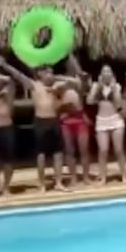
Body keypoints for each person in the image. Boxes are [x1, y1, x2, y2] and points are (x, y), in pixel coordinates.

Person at [0, 56, 68, 192]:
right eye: (48, 72)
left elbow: (70, 82)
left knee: (58, 153)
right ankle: (42, 183)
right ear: (40, 74)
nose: (51, 75)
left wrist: (56, 81)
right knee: (41, 154)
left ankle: (58, 182)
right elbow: (18, 75)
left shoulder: (56, 86)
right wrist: (5, 65)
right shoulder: (34, 85)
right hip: (41, 121)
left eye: (52, 72)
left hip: (54, 121)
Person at [87, 64, 126, 184]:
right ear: (101, 74)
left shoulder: (117, 86)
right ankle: (103, 176)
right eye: (104, 71)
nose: (106, 73)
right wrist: (97, 88)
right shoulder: (96, 86)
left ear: (112, 74)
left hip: (115, 119)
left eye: (108, 71)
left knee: (119, 150)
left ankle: (124, 175)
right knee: (103, 150)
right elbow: (89, 100)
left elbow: (119, 104)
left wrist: (113, 89)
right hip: (102, 120)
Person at [57, 54, 91, 187]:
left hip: (79, 117)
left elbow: (82, 82)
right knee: (69, 150)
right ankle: (73, 177)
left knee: (84, 149)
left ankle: (86, 177)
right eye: (69, 63)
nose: (72, 65)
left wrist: (71, 55)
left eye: (74, 63)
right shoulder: (60, 80)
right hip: (66, 118)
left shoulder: (80, 80)